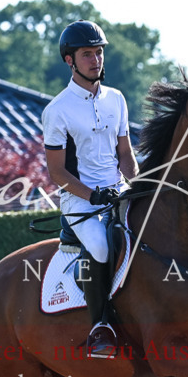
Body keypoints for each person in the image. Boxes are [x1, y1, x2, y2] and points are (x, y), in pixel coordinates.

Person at [42, 20, 138, 359]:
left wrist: (136, 184)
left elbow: (125, 155)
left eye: (98, 52)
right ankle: (101, 326)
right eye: (87, 54)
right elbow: (56, 172)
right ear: (70, 60)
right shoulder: (57, 110)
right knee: (99, 245)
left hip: (118, 190)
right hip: (79, 199)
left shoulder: (117, 99)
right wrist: (93, 195)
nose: (95, 59)